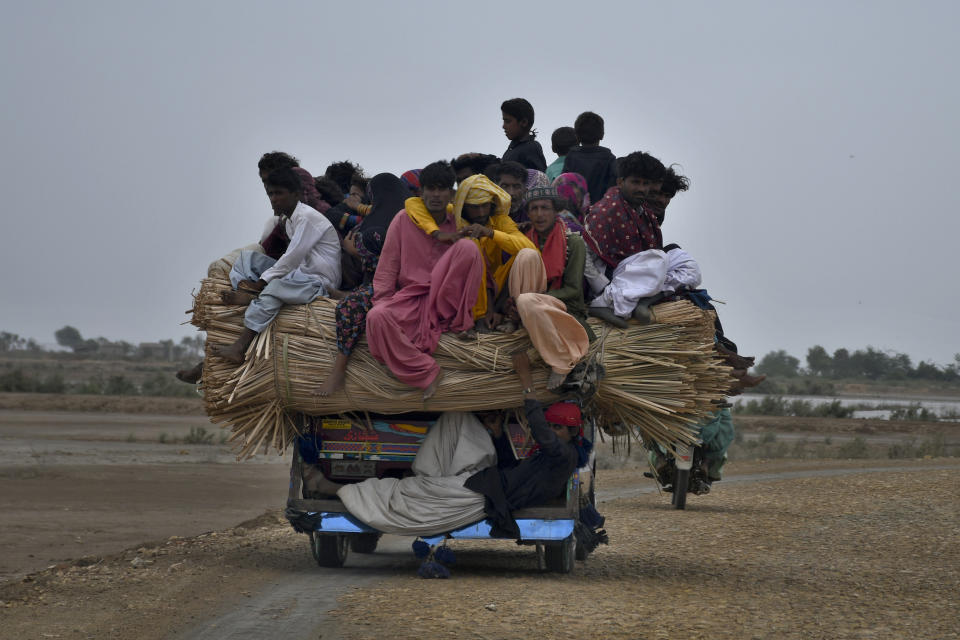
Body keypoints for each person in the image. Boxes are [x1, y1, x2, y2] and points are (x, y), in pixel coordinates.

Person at [304, 352, 581, 540]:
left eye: (558, 428)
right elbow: (510, 468)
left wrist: (526, 383)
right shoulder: (549, 458)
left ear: (572, 433)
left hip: (479, 496)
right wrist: (497, 435)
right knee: (456, 417)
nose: (552, 433)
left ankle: (333, 488)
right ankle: (425, 477)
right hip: (484, 481)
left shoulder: (562, 456)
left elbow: (541, 432)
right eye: (553, 426)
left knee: (405, 493)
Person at [364, 161, 483, 400]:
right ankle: (426, 371)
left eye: (442, 189)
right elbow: (388, 267)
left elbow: (473, 271)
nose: (436, 195)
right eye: (431, 188)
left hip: (446, 302)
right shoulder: (403, 219)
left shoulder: (458, 221)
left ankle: (457, 321)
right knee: (376, 317)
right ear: (421, 192)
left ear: (451, 193)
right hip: (411, 300)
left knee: (469, 248)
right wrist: (385, 304)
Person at [210, 168, 342, 364]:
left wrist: (262, 281)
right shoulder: (289, 220)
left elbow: (292, 257)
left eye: (279, 193)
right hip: (298, 275)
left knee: (274, 288)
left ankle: (240, 346)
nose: (273, 199)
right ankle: (248, 294)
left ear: (296, 194)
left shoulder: (307, 218)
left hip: (318, 281)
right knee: (247, 259)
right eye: (270, 194)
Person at [317, 173, 411, 396]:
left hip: (398, 287)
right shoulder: (377, 218)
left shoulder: (402, 222)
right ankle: (351, 292)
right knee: (353, 295)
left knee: (349, 308)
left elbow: (397, 265)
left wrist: (355, 253)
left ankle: (338, 370)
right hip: (377, 283)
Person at [512, 186, 592, 390]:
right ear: (528, 213)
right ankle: (525, 311)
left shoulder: (573, 242)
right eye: (534, 208)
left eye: (545, 208)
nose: (539, 214)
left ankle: (561, 362)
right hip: (530, 301)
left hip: (562, 305)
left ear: (555, 210)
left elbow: (573, 289)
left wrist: (539, 298)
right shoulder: (524, 239)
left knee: (526, 301)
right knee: (525, 255)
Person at [582, 151, 668, 327]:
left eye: (646, 184)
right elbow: (584, 254)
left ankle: (643, 302)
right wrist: (602, 287)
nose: (641, 189)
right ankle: (605, 303)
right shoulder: (605, 210)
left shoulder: (645, 212)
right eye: (635, 182)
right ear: (621, 182)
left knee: (684, 260)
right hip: (613, 278)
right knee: (660, 259)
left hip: (636, 272)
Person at [562, 111, 618, 205]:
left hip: (576, 211)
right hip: (601, 211)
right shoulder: (609, 158)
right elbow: (613, 187)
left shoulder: (571, 156)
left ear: (577, 136)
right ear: (602, 135)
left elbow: (564, 183)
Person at [500, 98, 547, 171]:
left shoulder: (531, 147)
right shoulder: (512, 149)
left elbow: (539, 178)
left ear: (524, 122)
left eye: (508, 121)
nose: (503, 126)